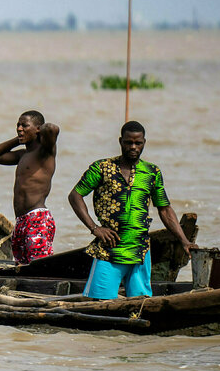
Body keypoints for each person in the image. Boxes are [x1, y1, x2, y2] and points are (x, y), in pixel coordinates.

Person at [68, 121, 197, 299]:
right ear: (121, 141)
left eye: (138, 143)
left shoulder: (151, 172)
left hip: (141, 250)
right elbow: (75, 196)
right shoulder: (102, 168)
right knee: (99, 302)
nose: (133, 147)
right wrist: (95, 228)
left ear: (144, 142)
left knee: (141, 305)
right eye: (129, 143)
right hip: (110, 250)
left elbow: (165, 210)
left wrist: (184, 241)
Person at [0, 110, 60, 265]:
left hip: (37, 219)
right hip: (21, 221)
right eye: (18, 125)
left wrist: (40, 132)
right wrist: (19, 139)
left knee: (39, 266)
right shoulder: (22, 156)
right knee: (22, 266)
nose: (19, 128)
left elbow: (52, 129)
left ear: (38, 128)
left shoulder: (45, 153)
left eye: (24, 125)